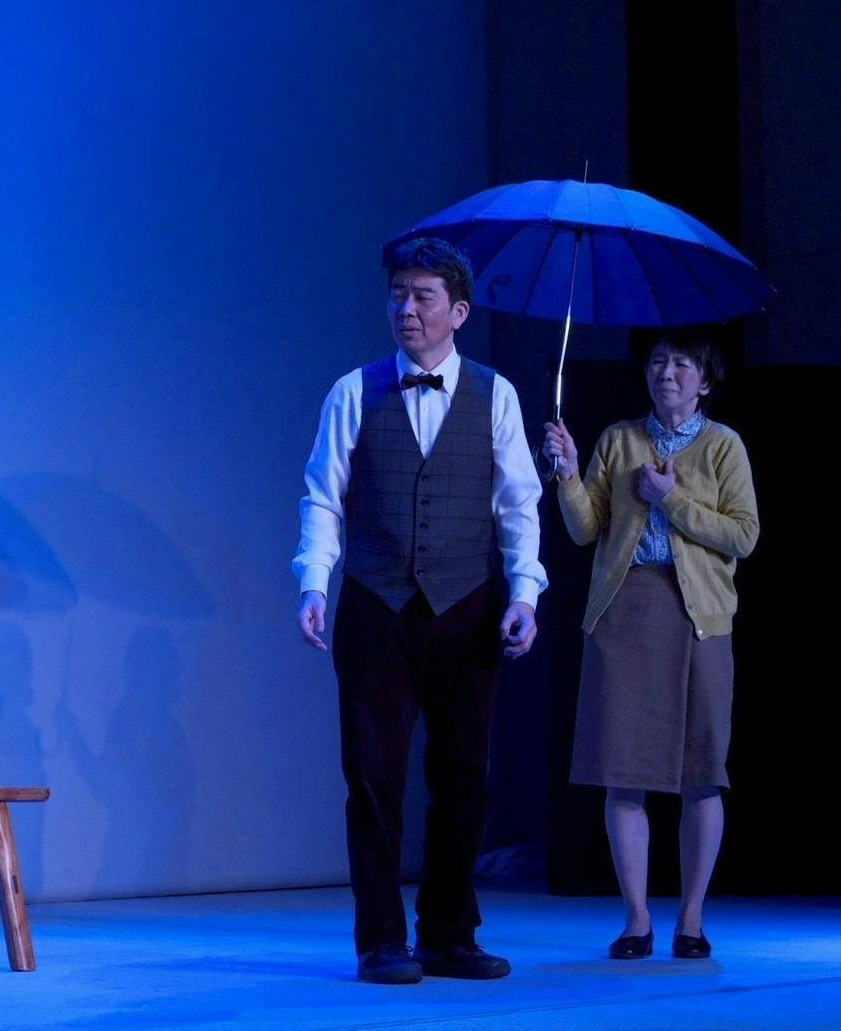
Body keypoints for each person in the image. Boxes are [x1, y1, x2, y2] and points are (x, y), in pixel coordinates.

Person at [293, 236, 546, 985]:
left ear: (457, 312)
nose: (406, 309)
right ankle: (380, 940)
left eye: (422, 296)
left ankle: (447, 934)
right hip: (376, 604)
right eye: (397, 294)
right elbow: (321, 496)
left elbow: (518, 505)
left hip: (467, 605)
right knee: (373, 779)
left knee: (463, 778)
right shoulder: (353, 391)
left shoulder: (496, 395)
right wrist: (313, 583)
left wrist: (524, 595)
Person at [542, 331, 758, 961]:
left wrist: (673, 500)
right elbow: (585, 529)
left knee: (702, 775)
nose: (667, 373)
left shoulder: (724, 445)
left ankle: (691, 920)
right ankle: (636, 920)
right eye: (659, 362)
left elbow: (743, 536)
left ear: (705, 381)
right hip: (626, 610)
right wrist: (567, 472)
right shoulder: (619, 439)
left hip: (700, 618)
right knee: (623, 774)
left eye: (682, 364)